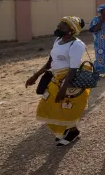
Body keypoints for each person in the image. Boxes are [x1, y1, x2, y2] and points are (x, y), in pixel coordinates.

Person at [26, 16, 88, 146]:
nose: (58, 28)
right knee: (47, 106)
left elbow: (73, 69)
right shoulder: (58, 40)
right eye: (58, 25)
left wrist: (63, 89)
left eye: (62, 26)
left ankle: (72, 132)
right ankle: (67, 129)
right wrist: (35, 76)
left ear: (71, 30)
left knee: (66, 108)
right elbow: (50, 62)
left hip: (69, 82)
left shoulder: (76, 45)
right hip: (55, 78)